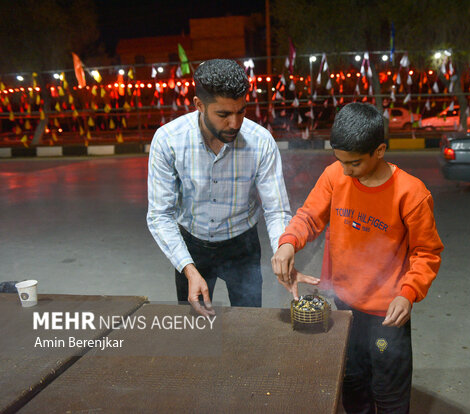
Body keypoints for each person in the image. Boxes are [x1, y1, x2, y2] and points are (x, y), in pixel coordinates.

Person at [271, 103, 443, 413]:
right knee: (351, 381)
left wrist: (408, 294)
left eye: (354, 163)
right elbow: (309, 216)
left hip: (387, 313)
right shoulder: (335, 175)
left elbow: (426, 253)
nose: (346, 171)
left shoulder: (411, 193)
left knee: (389, 392)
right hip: (343, 305)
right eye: (340, 161)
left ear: (379, 150)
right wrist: (288, 243)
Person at [147, 59, 295, 317]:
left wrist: (284, 247)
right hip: (191, 247)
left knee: (249, 325)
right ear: (199, 105)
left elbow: (276, 210)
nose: (235, 123)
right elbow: (160, 215)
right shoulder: (168, 140)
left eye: (241, 111)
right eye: (224, 115)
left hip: (243, 247)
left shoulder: (261, 142)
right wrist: (189, 269)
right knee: (195, 328)